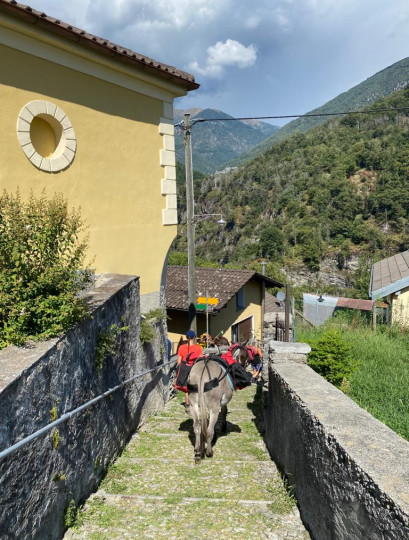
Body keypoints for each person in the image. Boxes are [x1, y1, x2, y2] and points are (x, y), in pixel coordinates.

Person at [176, 330, 203, 409]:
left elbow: (178, 361)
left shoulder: (181, 347)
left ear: (187, 337)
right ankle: (197, 403)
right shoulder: (198, 348)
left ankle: (187, 405)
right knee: (197, 386)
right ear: (194, 338)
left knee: (186, 387)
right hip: (195, 368)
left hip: (184, 368)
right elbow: (200, 360)